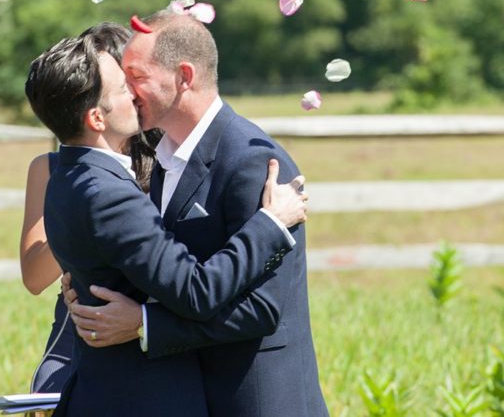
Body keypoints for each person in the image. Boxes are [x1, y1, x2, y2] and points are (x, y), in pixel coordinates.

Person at [24, 34, 309, 415]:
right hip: (140, 397)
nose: (134, 95)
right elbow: (196, 290)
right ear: (96, 117)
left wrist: (136, 316)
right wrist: (271, 222)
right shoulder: (107, 192)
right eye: (124, 87)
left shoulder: (67, 175)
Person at [21, 23, 152, 393]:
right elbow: (33, 277)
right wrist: (78, 237)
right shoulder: (49, 169)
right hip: (77, 333)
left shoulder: (165, 163)